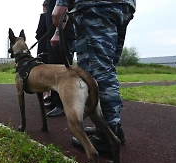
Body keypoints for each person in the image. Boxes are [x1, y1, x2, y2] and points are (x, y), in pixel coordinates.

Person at [51, 0, 136, 154]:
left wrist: (62, 2)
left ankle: (107, 136)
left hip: (96, 6)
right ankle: (113, 127)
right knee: (106, 68)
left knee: (95, 73)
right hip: (124, 6)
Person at [45, 0, 76, 117]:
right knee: (53, 68)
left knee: (62, 70)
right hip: (53, 34)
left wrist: (58, 32)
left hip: (62, 34)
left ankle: (63, 104)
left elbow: (64, 10)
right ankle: (55, 100)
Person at [36, 0, 51, 102]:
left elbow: (39, 33)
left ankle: (47, 92)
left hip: (43, 46)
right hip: (53, 47)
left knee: (44, 69)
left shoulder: (43, 17)